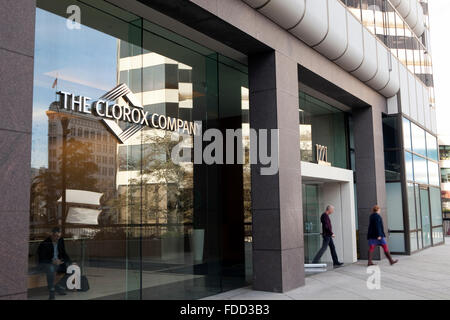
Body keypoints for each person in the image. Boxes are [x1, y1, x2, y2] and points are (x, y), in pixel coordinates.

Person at [37, 227, 71, 300]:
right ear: (51, 235)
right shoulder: (45, 243)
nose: (57, 238)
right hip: (47, 263)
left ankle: (58, 286)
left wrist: (69, 261)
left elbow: (64, 253)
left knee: (71, 268)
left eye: (59, 236)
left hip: (57, 262)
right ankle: (51, 290)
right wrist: (52, 261)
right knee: (51, 268)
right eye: (55, 236)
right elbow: (42, 258)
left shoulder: (60, 241)